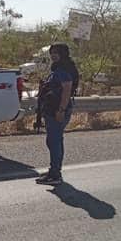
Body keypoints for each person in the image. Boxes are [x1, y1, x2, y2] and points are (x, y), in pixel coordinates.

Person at [35, 42, 79, 186]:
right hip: (53, 109)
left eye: (56, 52)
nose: (53, 55)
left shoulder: (64, 70)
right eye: (52, 52)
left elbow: (66, 90)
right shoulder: (59, 68)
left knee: (54, 141)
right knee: (54, 140)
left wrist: (61, 110)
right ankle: (54, 170)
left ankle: (55, 174)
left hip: (58, 110)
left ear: (63, 54)